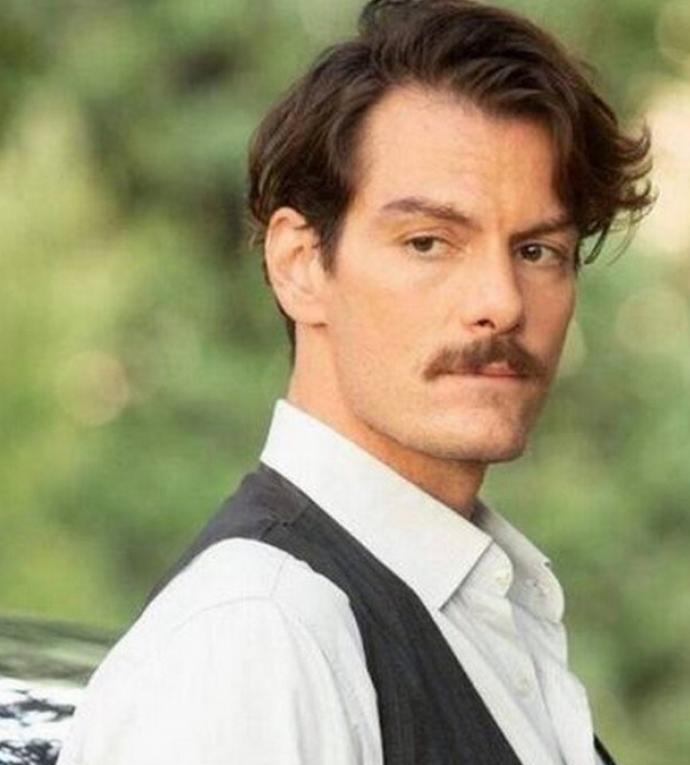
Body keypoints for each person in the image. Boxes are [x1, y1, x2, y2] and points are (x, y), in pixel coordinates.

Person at [60, 1, 652, 763]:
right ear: (299, 265)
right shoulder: (260, 637)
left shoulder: (485, 613)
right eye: (429, 242)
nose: (501, 302)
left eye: (538, 251)